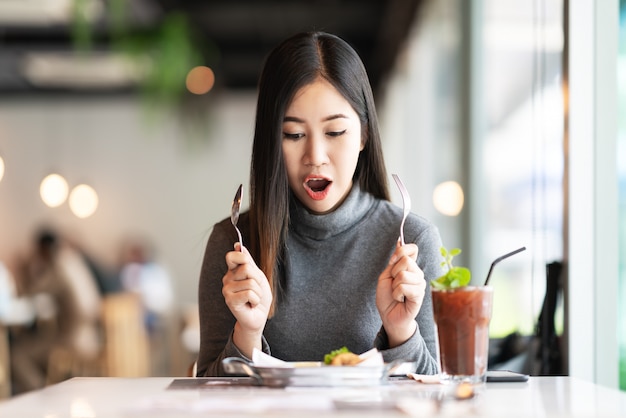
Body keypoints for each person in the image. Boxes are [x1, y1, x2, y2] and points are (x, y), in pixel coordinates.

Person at [196, 31, 444, 377]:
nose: (315, 157)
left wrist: (401, 331)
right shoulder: (233, 245)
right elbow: (203, 397)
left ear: (364, 135)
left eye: (335, 132)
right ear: (271, 141)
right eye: (293, 134)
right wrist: (247, 334)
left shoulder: (413, 241)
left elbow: (441, 397)